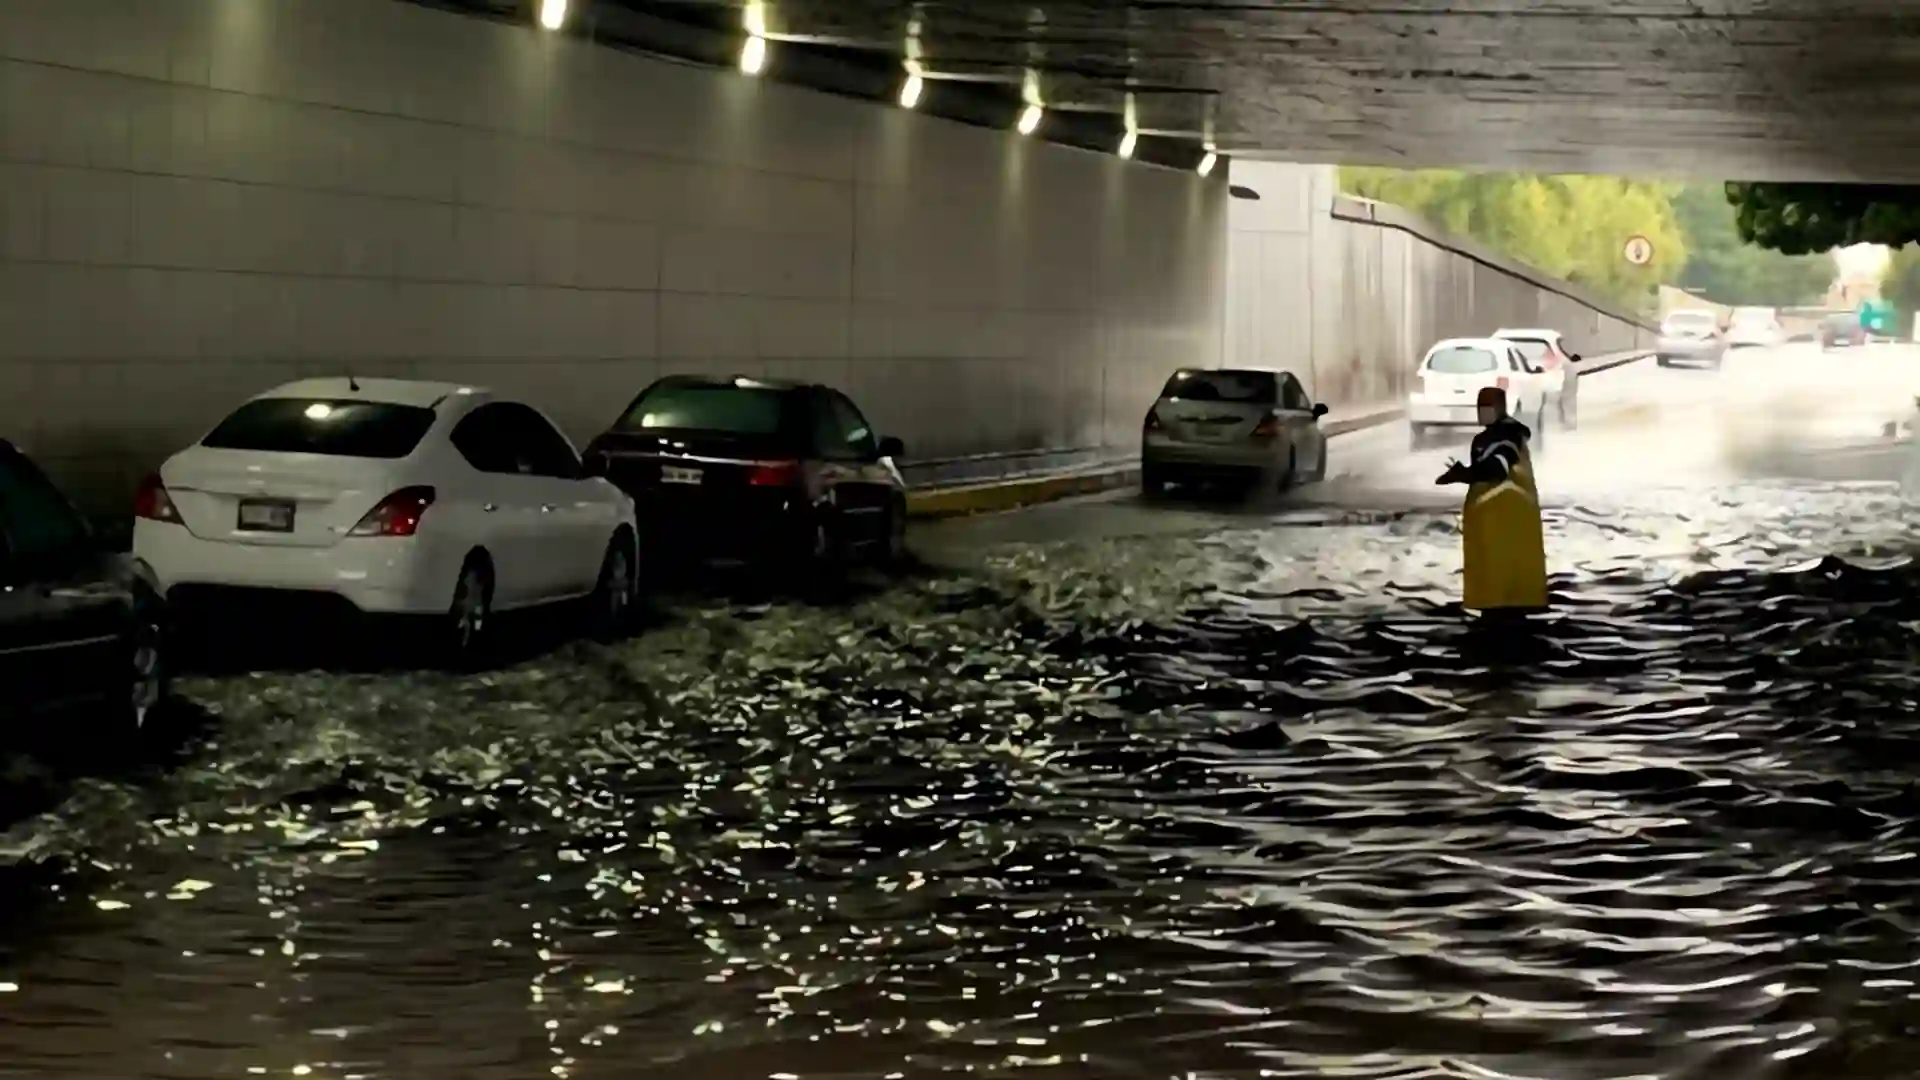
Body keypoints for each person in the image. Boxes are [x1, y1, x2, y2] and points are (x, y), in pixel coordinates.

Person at [1435, 386, 1547, 614]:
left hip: (1499, 526)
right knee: (1512, 593)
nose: (1481, 412)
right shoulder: (1509, 435)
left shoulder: (1502, 437)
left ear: (1500, 408)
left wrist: (1463, 474)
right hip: (1505, 523)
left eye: (1486, 406)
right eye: (1479, 406)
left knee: (1500, 601)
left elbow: (1497, 467)